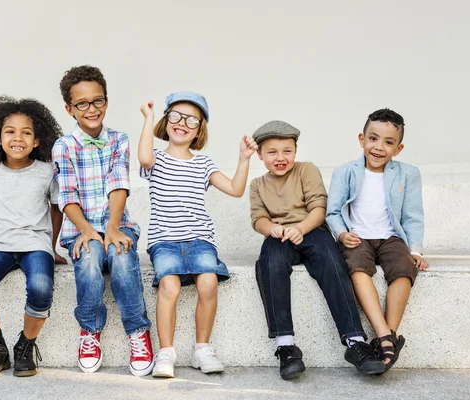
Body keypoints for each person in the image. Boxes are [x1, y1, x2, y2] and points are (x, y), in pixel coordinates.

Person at [250, 120, 385, 380]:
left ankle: (355, 341)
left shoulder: (306, 171)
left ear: (295, 151)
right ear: (260, 155)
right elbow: (258, 219)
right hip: (279, 235)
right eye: (272, 152)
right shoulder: (258, 184)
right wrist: (273, 229)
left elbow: (318, 208)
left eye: (287, 151)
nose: (281, 157)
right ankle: (286, 346)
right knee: (270, 262)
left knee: (332, 261)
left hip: (311, 229)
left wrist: (301, 228)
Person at [138, 91, 257, 378]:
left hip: (199, 239)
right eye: (175, 116)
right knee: (169, 287)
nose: (182, 123)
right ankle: (166, 351)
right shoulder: (155, 159)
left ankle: (202, 348)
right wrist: (148, 117)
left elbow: (235, 189)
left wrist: (243, 159)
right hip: (164, 240)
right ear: (166, 122)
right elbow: (143, 156)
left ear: (199, 129)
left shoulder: (203, 164)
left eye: (191, 119)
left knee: (208, 283)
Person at [52, 65, 153, 376]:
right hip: (79, 228)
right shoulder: (63, 146)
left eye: (98, 101)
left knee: (122, 259)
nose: (91, 109)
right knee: (89, 260)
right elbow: (67, 195)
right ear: (69, 109)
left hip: (116, 223)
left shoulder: (118, 139)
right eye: (82, 103)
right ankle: (90, 331)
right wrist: (88, 231)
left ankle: (138, 331)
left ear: (106, 102)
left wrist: (112, 228)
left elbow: (118, 184)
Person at [0, 96, 65, 377]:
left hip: (36, 245)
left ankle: (25, 345)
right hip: (0, 245)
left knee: (41, 289)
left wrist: (52, 246)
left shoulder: (46, 171)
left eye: (26, 132)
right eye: (10, 131)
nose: (17, 137)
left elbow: (57, 210)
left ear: (37, 141)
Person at [326, 108, 428, 373]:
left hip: (391, 237)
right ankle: (384, 335)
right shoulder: (345, 171)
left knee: (404, 268)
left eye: (388, 142)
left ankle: (389, 336)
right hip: (357, 237)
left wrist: (415, 250)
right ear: (362, 139)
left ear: (399, 148)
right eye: (373, 139)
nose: (379, 147)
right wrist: (341, 233)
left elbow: (413, 215)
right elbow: (333, 211)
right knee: (357, 268)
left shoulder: (408, 174)